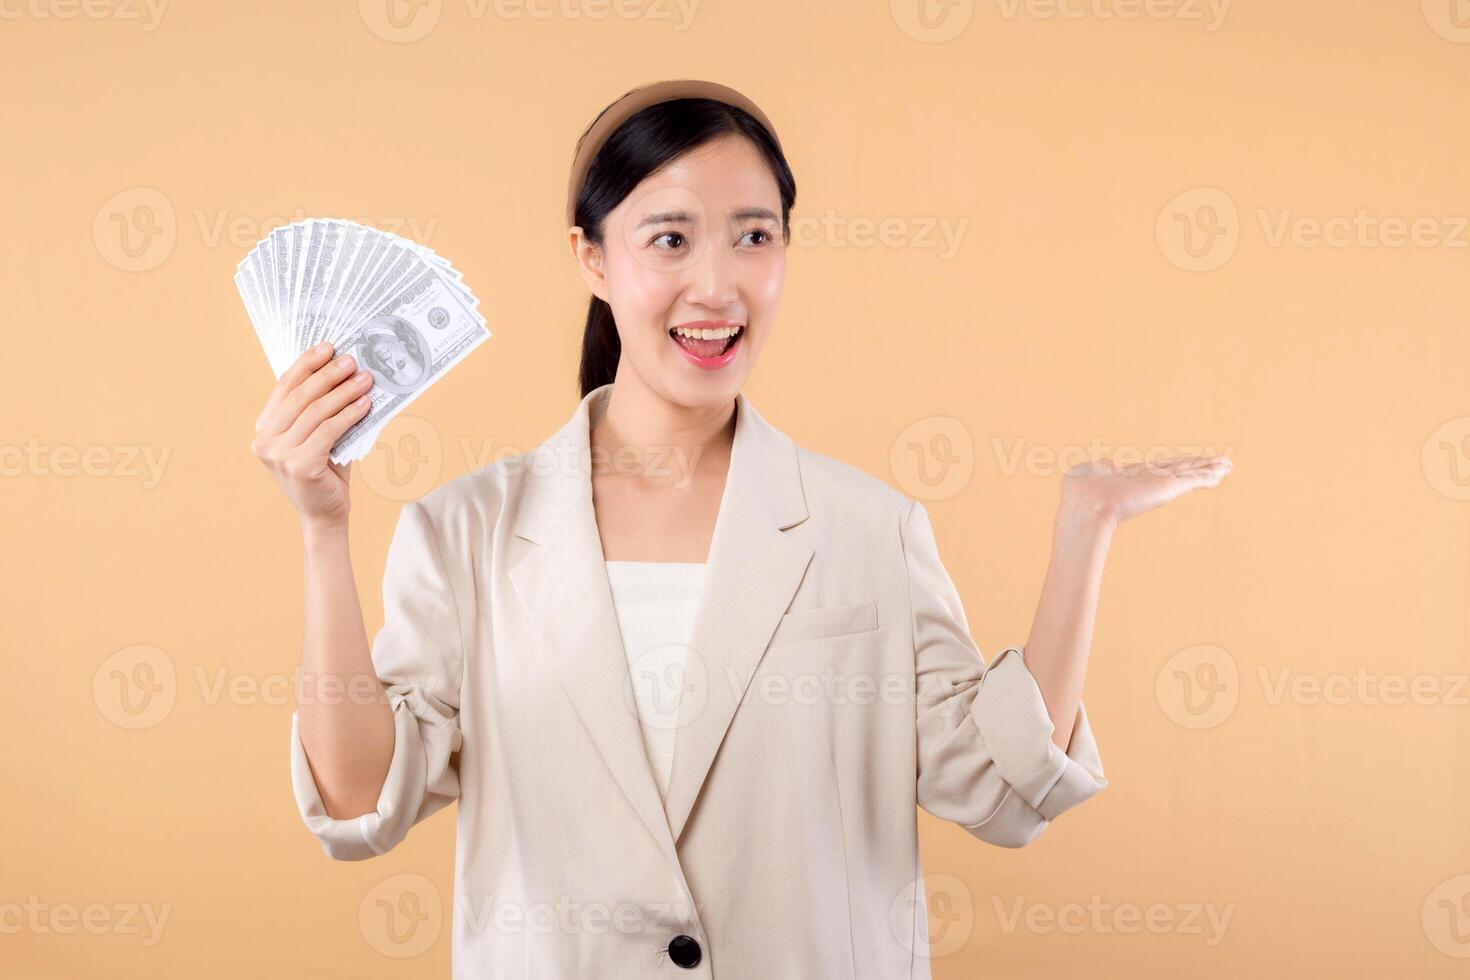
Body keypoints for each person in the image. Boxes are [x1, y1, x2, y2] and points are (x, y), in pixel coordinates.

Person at [250, 79, 1232, 978]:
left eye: (754, 237)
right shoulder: (463, 530)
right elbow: (359, 799)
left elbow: (1000, 787)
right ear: (590, 257)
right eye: (670, 239)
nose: (718, 285)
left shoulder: (868, 527)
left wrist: (1084, 528)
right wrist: (322, 530)